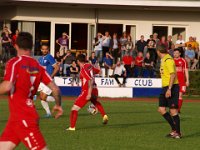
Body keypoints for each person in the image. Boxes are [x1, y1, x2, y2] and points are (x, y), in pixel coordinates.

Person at [0, 32, 63, 150]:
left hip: (24, 118)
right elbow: (55, 89)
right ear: (32, 47)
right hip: (16, 119)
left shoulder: (14, 63)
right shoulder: (37, 66)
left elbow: (7, 86)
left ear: (16, 46)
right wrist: (58, 105)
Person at [66, 54, 108, 131]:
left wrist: (89, 93)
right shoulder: (90, 66)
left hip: (87, 90)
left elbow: (90, 80)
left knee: (74, 109)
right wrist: (98, 69)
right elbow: (99, 71)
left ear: (78, 61)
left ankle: (72, 127)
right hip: (95, 90)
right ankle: (104, 115)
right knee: (95, 102)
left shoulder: (83, 69)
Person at [157, 45, 181, 139]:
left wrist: (169, 89)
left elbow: (173, 75)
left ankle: (177, 132)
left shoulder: (169, 60)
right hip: (165, 87)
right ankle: (174, 129)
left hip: (172, 87)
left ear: (159, 51)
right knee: (161, 109)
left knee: (173, 111)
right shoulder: (163, 60)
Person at [38, 44, 60, 118]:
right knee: (41, 98)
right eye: (43, 49)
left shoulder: (49, 57)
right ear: (41, 50)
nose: (44, 50)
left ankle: (57, 100)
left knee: (43, 97)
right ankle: (48, 113)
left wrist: (50, 77)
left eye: (46, 49)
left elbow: (57, 68)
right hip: (42, 80)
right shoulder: (40, 59)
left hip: (48, 81)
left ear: (48, 50)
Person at [174, 48, 189, 113]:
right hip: (173, 81)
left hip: (181, 81)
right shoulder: (171, 60)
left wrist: (187, 80)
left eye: (177, 53)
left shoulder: (183, 60)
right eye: (174, 53)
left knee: (180, 95)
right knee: (174, 96)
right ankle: (173, 109)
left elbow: (186, 70)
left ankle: (178, 109)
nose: (175, 54)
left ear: (180, 53)